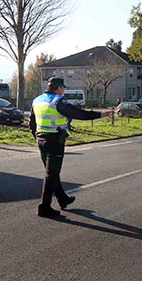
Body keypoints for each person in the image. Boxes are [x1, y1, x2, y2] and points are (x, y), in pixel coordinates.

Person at [30, 77, 112, 217]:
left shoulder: (37, 100)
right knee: (51, 174)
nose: (64, 91)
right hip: (55, 140)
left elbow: (31, 122)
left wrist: (36, 136)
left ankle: (63, 198)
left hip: (41, 139)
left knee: (52, 173)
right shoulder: (58, 101)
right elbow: (78, 114)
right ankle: (44, 206)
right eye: (63, 88)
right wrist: (100, 114)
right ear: (59, 88)